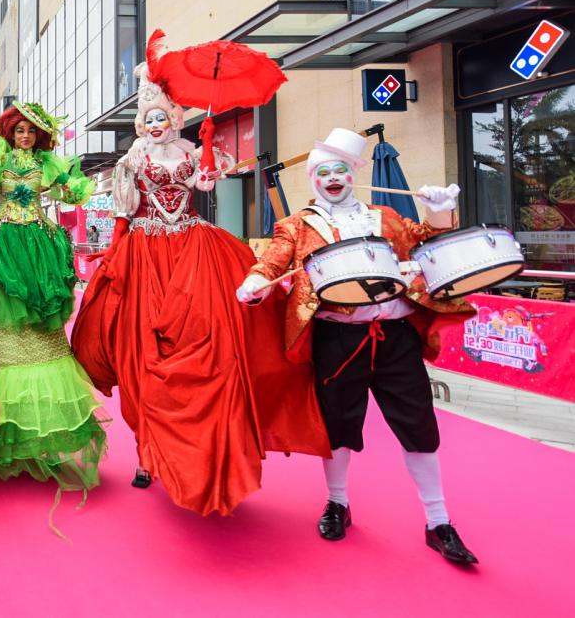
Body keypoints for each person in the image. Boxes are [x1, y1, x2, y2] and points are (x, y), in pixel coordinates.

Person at [71, 48, 328, 516]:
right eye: (149, 119)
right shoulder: (133, 158)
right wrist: (114, 248)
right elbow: (125, 210)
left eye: (162, 118)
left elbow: (207, 184)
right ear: (142, 123)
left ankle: (203, 444)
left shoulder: (191, 151)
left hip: (194, 252)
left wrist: (207, 147)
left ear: (175, 119)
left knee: (209, 345)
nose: (156, 125)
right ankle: (148, 452)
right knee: (141, 356)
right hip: (145, 256)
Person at [236, 127, 478, 565]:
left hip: (395, 337)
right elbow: (272, 262)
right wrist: (255, 282)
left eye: (340, 170)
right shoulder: (296, 225)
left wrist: (440, 209)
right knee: (338, 426)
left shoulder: (384, 216)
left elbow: (426, 236)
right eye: (323, 172)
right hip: (337, 338)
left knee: (419, 426)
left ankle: (438, 521)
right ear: (313, 179)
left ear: (353, 174)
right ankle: (337, 502)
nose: (332, 178)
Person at [0, 102, 107, 495]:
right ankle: (6, 436)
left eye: (30, 131)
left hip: (41, 246)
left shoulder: (47, 163)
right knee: (7, 320)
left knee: (42, 320)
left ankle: (45, 431)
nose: (25, 136)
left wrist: (74, 184)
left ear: (39, 135)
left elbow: (72, 194)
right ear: (9, 132)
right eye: (19, 130)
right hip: (6, 243)